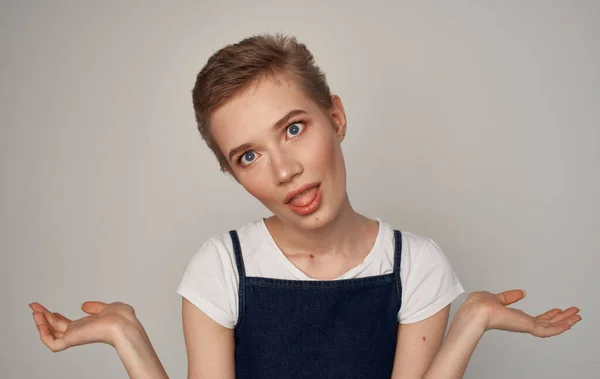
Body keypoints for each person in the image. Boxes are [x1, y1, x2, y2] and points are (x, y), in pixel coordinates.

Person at [29, 34, 581, 379]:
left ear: (335, 117)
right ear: (231, 172)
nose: (284, 170)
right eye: (248, 155)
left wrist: (472, 322)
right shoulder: (222, 266)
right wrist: (127, 336)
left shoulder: (417, 265)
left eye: (294, 128)